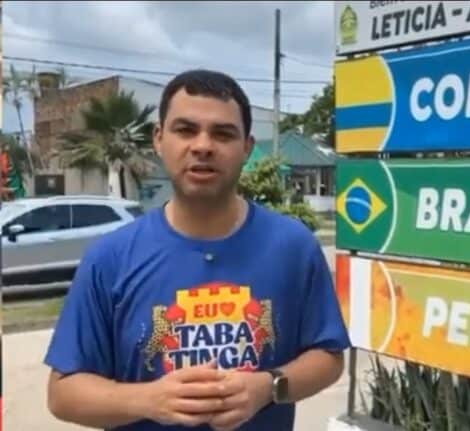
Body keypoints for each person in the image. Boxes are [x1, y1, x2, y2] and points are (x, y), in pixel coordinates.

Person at [44, 69, 350, 431]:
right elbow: (63, 393)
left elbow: (328, 357)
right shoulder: (109, 258)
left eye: (223, 133)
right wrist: (149, 399)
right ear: (159, 139)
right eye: (185, 130)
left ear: (247, 148)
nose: (203, 145)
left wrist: (267, 388)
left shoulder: (293, 246)